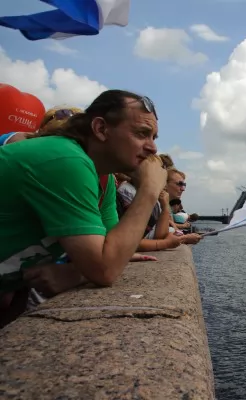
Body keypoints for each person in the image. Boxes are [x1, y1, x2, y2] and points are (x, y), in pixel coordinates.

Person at [0, 89, 166, 306]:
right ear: (101, 129)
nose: (152, 147)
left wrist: (74, 272)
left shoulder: (103, 179)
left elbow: (112, 248)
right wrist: (149, 190)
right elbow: (105, 269)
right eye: (141, 134)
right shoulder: (66, 160)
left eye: (153, 137)